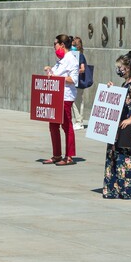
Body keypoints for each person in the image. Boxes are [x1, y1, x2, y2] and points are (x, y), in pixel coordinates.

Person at [103, 51, 131, 199]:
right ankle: (121, 187)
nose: (119, 70)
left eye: (121, 67)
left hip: (129, 128)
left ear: (128, 67)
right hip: (122, 126)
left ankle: (130, 188)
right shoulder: (127, 83)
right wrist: (111, 89)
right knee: (120, 157)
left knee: (128, 158)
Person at [42, 34, 79, 166]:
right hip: (56, 96)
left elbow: (73, 79)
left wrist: (57, 78)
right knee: (53, 125)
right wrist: (50, 71)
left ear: (62, 45)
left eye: (55, 44)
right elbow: (56, 75)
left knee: (67, 125)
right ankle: (56, 154)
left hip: (66, 97)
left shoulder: (71, 60)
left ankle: (69, 156)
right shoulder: (61, 60)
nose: (54, 47)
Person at [71, 36, 87, 130]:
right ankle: (77, 121)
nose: (71, 46)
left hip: (79, 82)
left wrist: (73, 71)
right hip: (74, 81)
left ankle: (79, 122)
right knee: (75, 102)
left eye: (73, 45)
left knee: (78, 102)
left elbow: (82, 69)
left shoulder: (80, 55)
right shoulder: (73, 55)